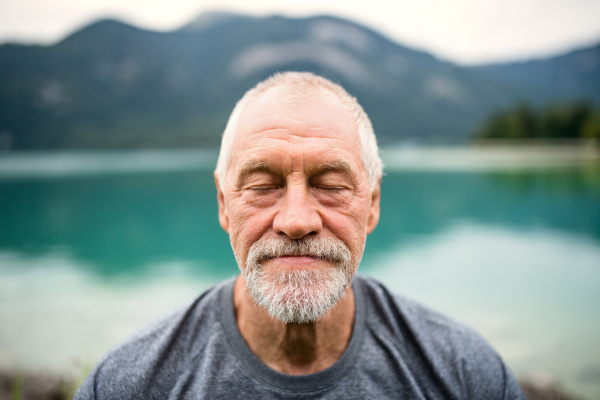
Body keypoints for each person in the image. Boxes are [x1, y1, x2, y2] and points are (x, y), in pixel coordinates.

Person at [74, 72, 525, 399]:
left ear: (371, 204)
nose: (296, 220)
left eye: (330, 185)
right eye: (262, 185)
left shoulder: (465, 374)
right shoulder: (128, 385)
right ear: (222, 204)